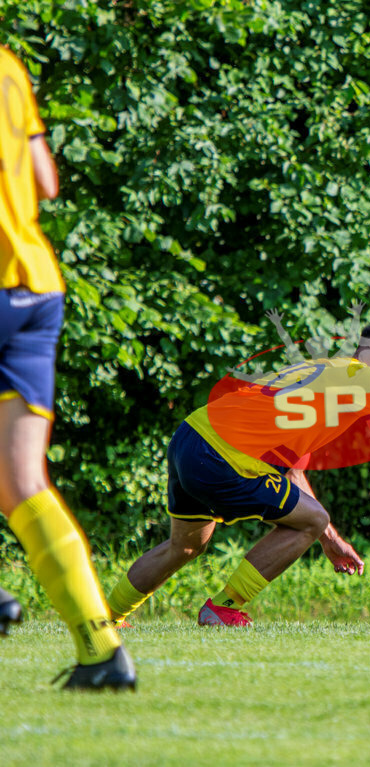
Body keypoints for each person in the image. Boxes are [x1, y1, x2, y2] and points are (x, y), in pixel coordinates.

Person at [107, 309, 370, 627]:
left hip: (190, 437)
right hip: (220, 454)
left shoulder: (328, 377)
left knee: (187, 546)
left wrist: (329, 539)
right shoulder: (365, 381)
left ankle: (104, 618)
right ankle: (223, 608)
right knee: (309, 518)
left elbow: (293, 473)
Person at [0, 47, 136, 688]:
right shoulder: (8, 66)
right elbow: (45, 181)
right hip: (35, 286)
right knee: (22, 480)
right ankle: (102, 652)